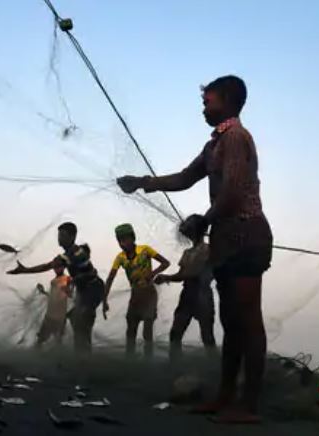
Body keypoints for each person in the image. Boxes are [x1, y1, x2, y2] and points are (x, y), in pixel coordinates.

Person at [117, 75, 272, 423]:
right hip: (226, 240)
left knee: (248, 320)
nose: (203, 108)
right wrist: (143, 182)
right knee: (230, 322)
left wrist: (204, 220)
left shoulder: (236, 137)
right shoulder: (213, 145)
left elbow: (232, 192)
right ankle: (225, 397)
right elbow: (185, 178)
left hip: (247, 236)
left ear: (228, 101)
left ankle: (248, 406)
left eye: (208, 102)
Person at [8, 222, 104, 353]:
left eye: (63, 235)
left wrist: (25, 270)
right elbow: (50, 265)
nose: (59, 238)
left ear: (72, 236)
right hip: (84, 291)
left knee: (82, 320)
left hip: (93, 289)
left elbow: (88, 272)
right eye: (59, 235)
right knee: (76, 321)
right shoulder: (67, 255)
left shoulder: (76, 252)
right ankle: (81, 354)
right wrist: (25, 270)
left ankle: (84, 356)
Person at [155, 214, 217, 360]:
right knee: (175, 334)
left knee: (207, 336)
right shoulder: (187, 253)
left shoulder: (207, 250)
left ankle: (214, 366)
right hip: (188, 294)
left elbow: (194, 273)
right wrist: (167, 277)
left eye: (190, 224)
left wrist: (167, 277)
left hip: (202, 296)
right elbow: (182, 275)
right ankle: (175, 365)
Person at [103, 224, 170, 358]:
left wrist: (153, 273)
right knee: (131, 329)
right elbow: (110, 278)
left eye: (125, 239)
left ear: (132, 238)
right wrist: (104, 300)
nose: (122, 244)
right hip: (135, 296)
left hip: (149, 294)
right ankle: (130, 358)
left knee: (147, 329)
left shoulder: (145, 250)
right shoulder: (120, 257)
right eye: (119, 241)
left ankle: (148, 359)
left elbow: (165, 263)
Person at [35, 263, 73, 348]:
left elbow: (71, 294)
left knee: (58, 341)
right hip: (50, 314)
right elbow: (53, 296)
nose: (56, 269)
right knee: (40, 340)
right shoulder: (54, 281)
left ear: (63, 267)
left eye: (58, 266)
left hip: (60, 316)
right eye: (55, 267)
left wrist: (68, 291)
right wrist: (43, 291)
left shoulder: (68, 279)